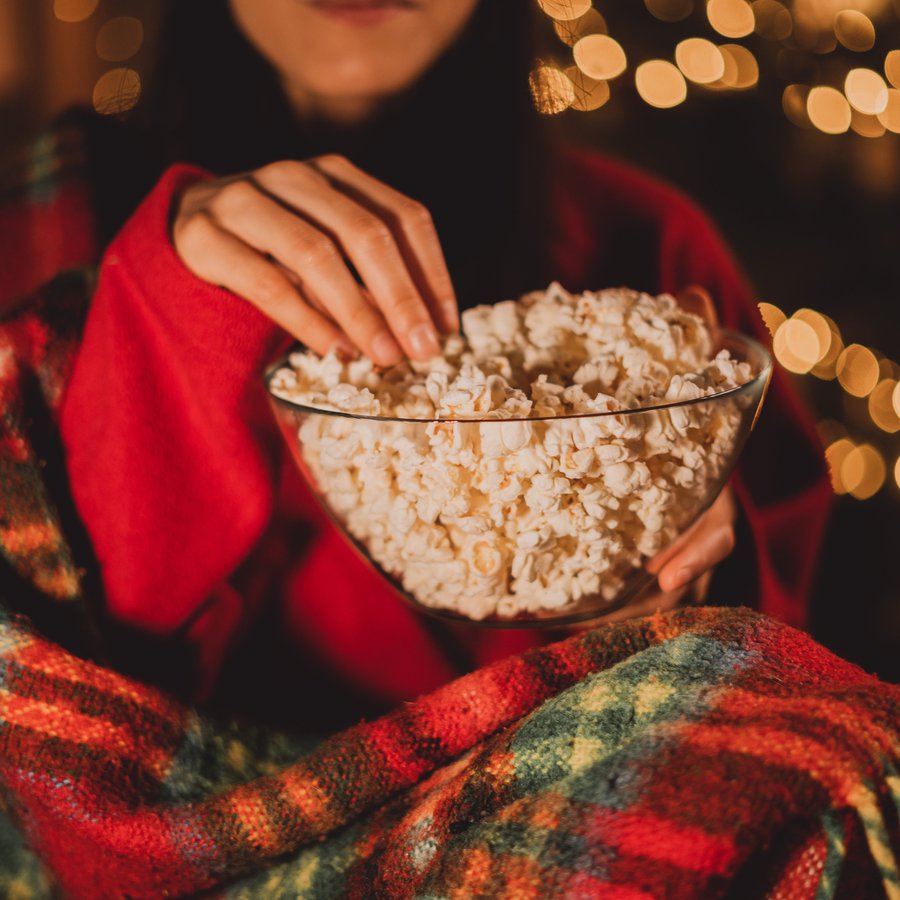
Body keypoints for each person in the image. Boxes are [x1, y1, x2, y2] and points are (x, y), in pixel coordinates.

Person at [9, 0, 831, 730]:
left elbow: (784, 631)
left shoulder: (647, 244)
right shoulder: (43, 235)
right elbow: (53, 678)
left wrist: (677, 581)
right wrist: (164, 293)